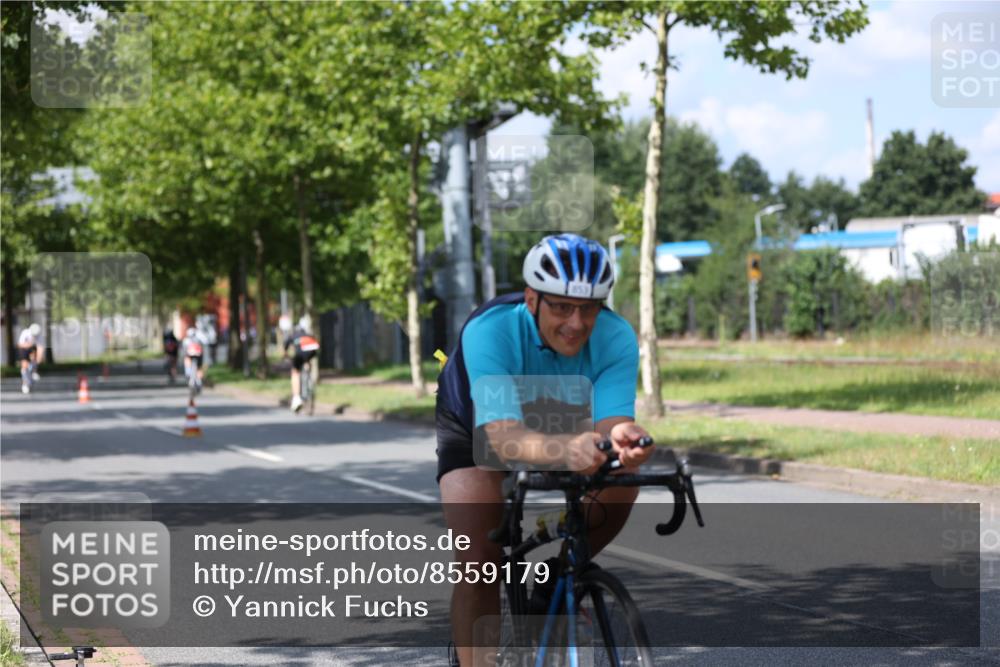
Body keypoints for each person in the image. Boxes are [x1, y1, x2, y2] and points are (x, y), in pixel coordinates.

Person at [436, 234, 655, 666]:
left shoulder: (616, 337)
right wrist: (566, 450)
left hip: (561, 417)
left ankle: (558, 576)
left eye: (588, 308)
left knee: (621, 479)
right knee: (479, 560)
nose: (576, 323)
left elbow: (611, 423)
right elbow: (501, 439)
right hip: (478, 422)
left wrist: (627, 440)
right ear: (532, 299)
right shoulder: (491, 330)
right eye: (561, 307)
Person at [284, 316, 319, 413]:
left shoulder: (295, 334)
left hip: (299, 354)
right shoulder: (309, 334)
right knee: (307, 362)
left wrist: (285, 353)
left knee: (295, 372)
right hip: (311, 352)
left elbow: (286, 343)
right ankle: (309, 375)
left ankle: (296, 398)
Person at [17, 323, 42, 394]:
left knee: (32, 364)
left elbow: (40, 348)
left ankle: (33, 372)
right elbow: (20, 344)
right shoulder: (25, 333)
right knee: (24, 366)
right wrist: (29, 344)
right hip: (24, 349)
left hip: (33, 349)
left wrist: (38, 359)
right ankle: (25, 383)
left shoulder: (39, 336)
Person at [181, 326, 207, 393]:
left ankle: (194, 378)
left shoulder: (187, 340)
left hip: (194, 356)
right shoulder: (198, 337)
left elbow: (184, 351)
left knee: (196, 367)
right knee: (198, 368)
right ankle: (196, 379)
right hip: (196, 356)